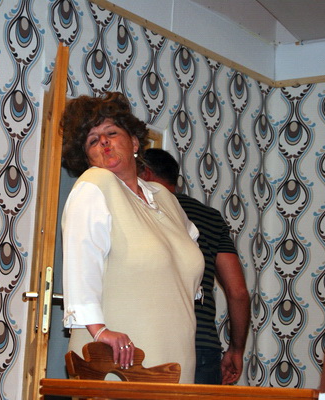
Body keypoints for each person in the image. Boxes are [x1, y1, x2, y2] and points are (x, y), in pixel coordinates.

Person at [60, 92, 205, 384]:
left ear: (135, 143)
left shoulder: (163, 197)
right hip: (119, 357)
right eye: (93, 141)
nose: (104, 142)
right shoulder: (95, 184)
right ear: (87, 158)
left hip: (177, 353)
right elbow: (80, 262)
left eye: (111, 133)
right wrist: (99, 331)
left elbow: (188, 254)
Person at [140, 148, 250, 385]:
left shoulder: (140, 209)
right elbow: (238, 292)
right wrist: (236, 350)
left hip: (150, 340)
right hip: (202, 344)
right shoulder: (210, 217)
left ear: (145, 173)